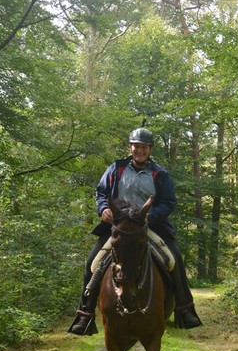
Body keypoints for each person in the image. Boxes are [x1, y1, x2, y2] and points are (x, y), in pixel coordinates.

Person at [68, 127, 202, 335]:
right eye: (136, 147)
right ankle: (84, 315)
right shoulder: (115, 168)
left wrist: (150, 216)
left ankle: (185, 309)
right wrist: (103, 208)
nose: (140, 151)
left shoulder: (160, 174)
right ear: (130, 147)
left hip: (148, 226)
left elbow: (168, 202)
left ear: (150, 150)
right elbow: (101, 192)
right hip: (119, 227)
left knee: (174, 259)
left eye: (144, 147)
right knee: (92, 263)